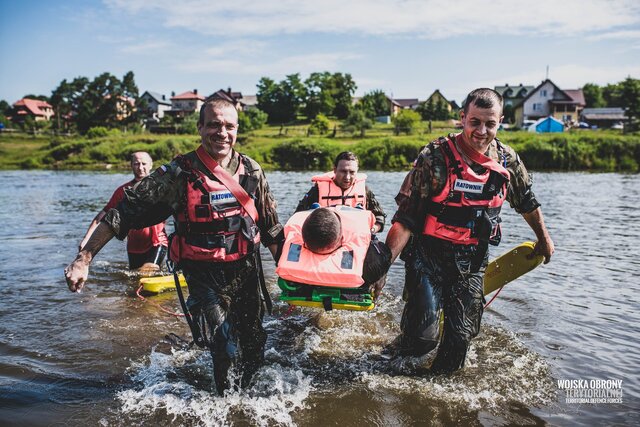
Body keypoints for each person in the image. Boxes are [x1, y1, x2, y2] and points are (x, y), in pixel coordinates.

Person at [65, 98, 284, 394]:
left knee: (254, 342)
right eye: (214, 125)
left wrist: (290, 274)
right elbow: (123, 213)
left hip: (246, 272)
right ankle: (225, 407)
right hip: (203, 275)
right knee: (224, 342)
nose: (222, 132)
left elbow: (271, 226)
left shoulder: (252, 171)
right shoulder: (178, 175)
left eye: (229, 126)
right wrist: (84, 257)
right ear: (200, 128)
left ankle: (247, 397)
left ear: (237, 130)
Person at [385, 88, 554, 374]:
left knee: (458, 344)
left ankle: (433, 397)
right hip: (428, 257)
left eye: (490, 123)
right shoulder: (434, 157)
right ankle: (390, 355)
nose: (482, 130)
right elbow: (407, 217)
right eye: (475, 122)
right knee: (421, 340)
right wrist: (384, 263)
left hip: (472, 261)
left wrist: (544, 238)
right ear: (463, 118)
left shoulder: (507, 160)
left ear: (500, 121)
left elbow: (525, 201)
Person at [277, 206, 391, 301]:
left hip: (300, 278)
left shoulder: (288, 258)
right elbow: (385, 256)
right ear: (342, 238)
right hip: (351, 278)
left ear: (303, 240)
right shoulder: (370, 267)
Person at [79, 151, 168, 271]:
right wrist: (87, 239)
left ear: (151, 165)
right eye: (136, 164)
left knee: (148, 271)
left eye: (144, 163)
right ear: (131, 165)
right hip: (134, 246)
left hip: (157, 242)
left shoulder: (161, 186)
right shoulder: (123, 190)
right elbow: (103, 214)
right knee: (134, 278)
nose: (140, 167)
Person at [295, 151, 386, 233]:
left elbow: (380, 218)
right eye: (343, 171)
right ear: (335, 170)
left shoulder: (364, 191)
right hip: (324, 238)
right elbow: (298, 216)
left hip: (356, 239)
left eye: (352, 172)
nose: (347, 177)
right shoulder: (318, 190)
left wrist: (373, 229)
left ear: (357, 171)